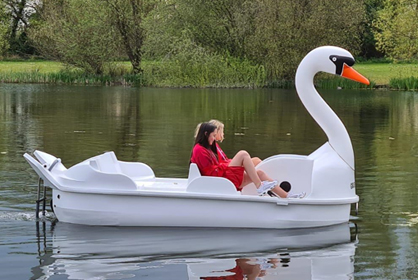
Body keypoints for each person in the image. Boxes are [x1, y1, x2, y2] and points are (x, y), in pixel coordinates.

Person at [191, 122, 305, 198]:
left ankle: (287, 196)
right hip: (221, 180)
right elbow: (212, 173)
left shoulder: (209, 147)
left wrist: (231, 164)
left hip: (224, 177)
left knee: (259, 172)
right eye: (213, 135)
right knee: (243, 154)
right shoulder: (199, 150)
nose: (214, 138)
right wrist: (231, 165)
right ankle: (260, 186)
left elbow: (220, 163)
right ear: (206, 134)